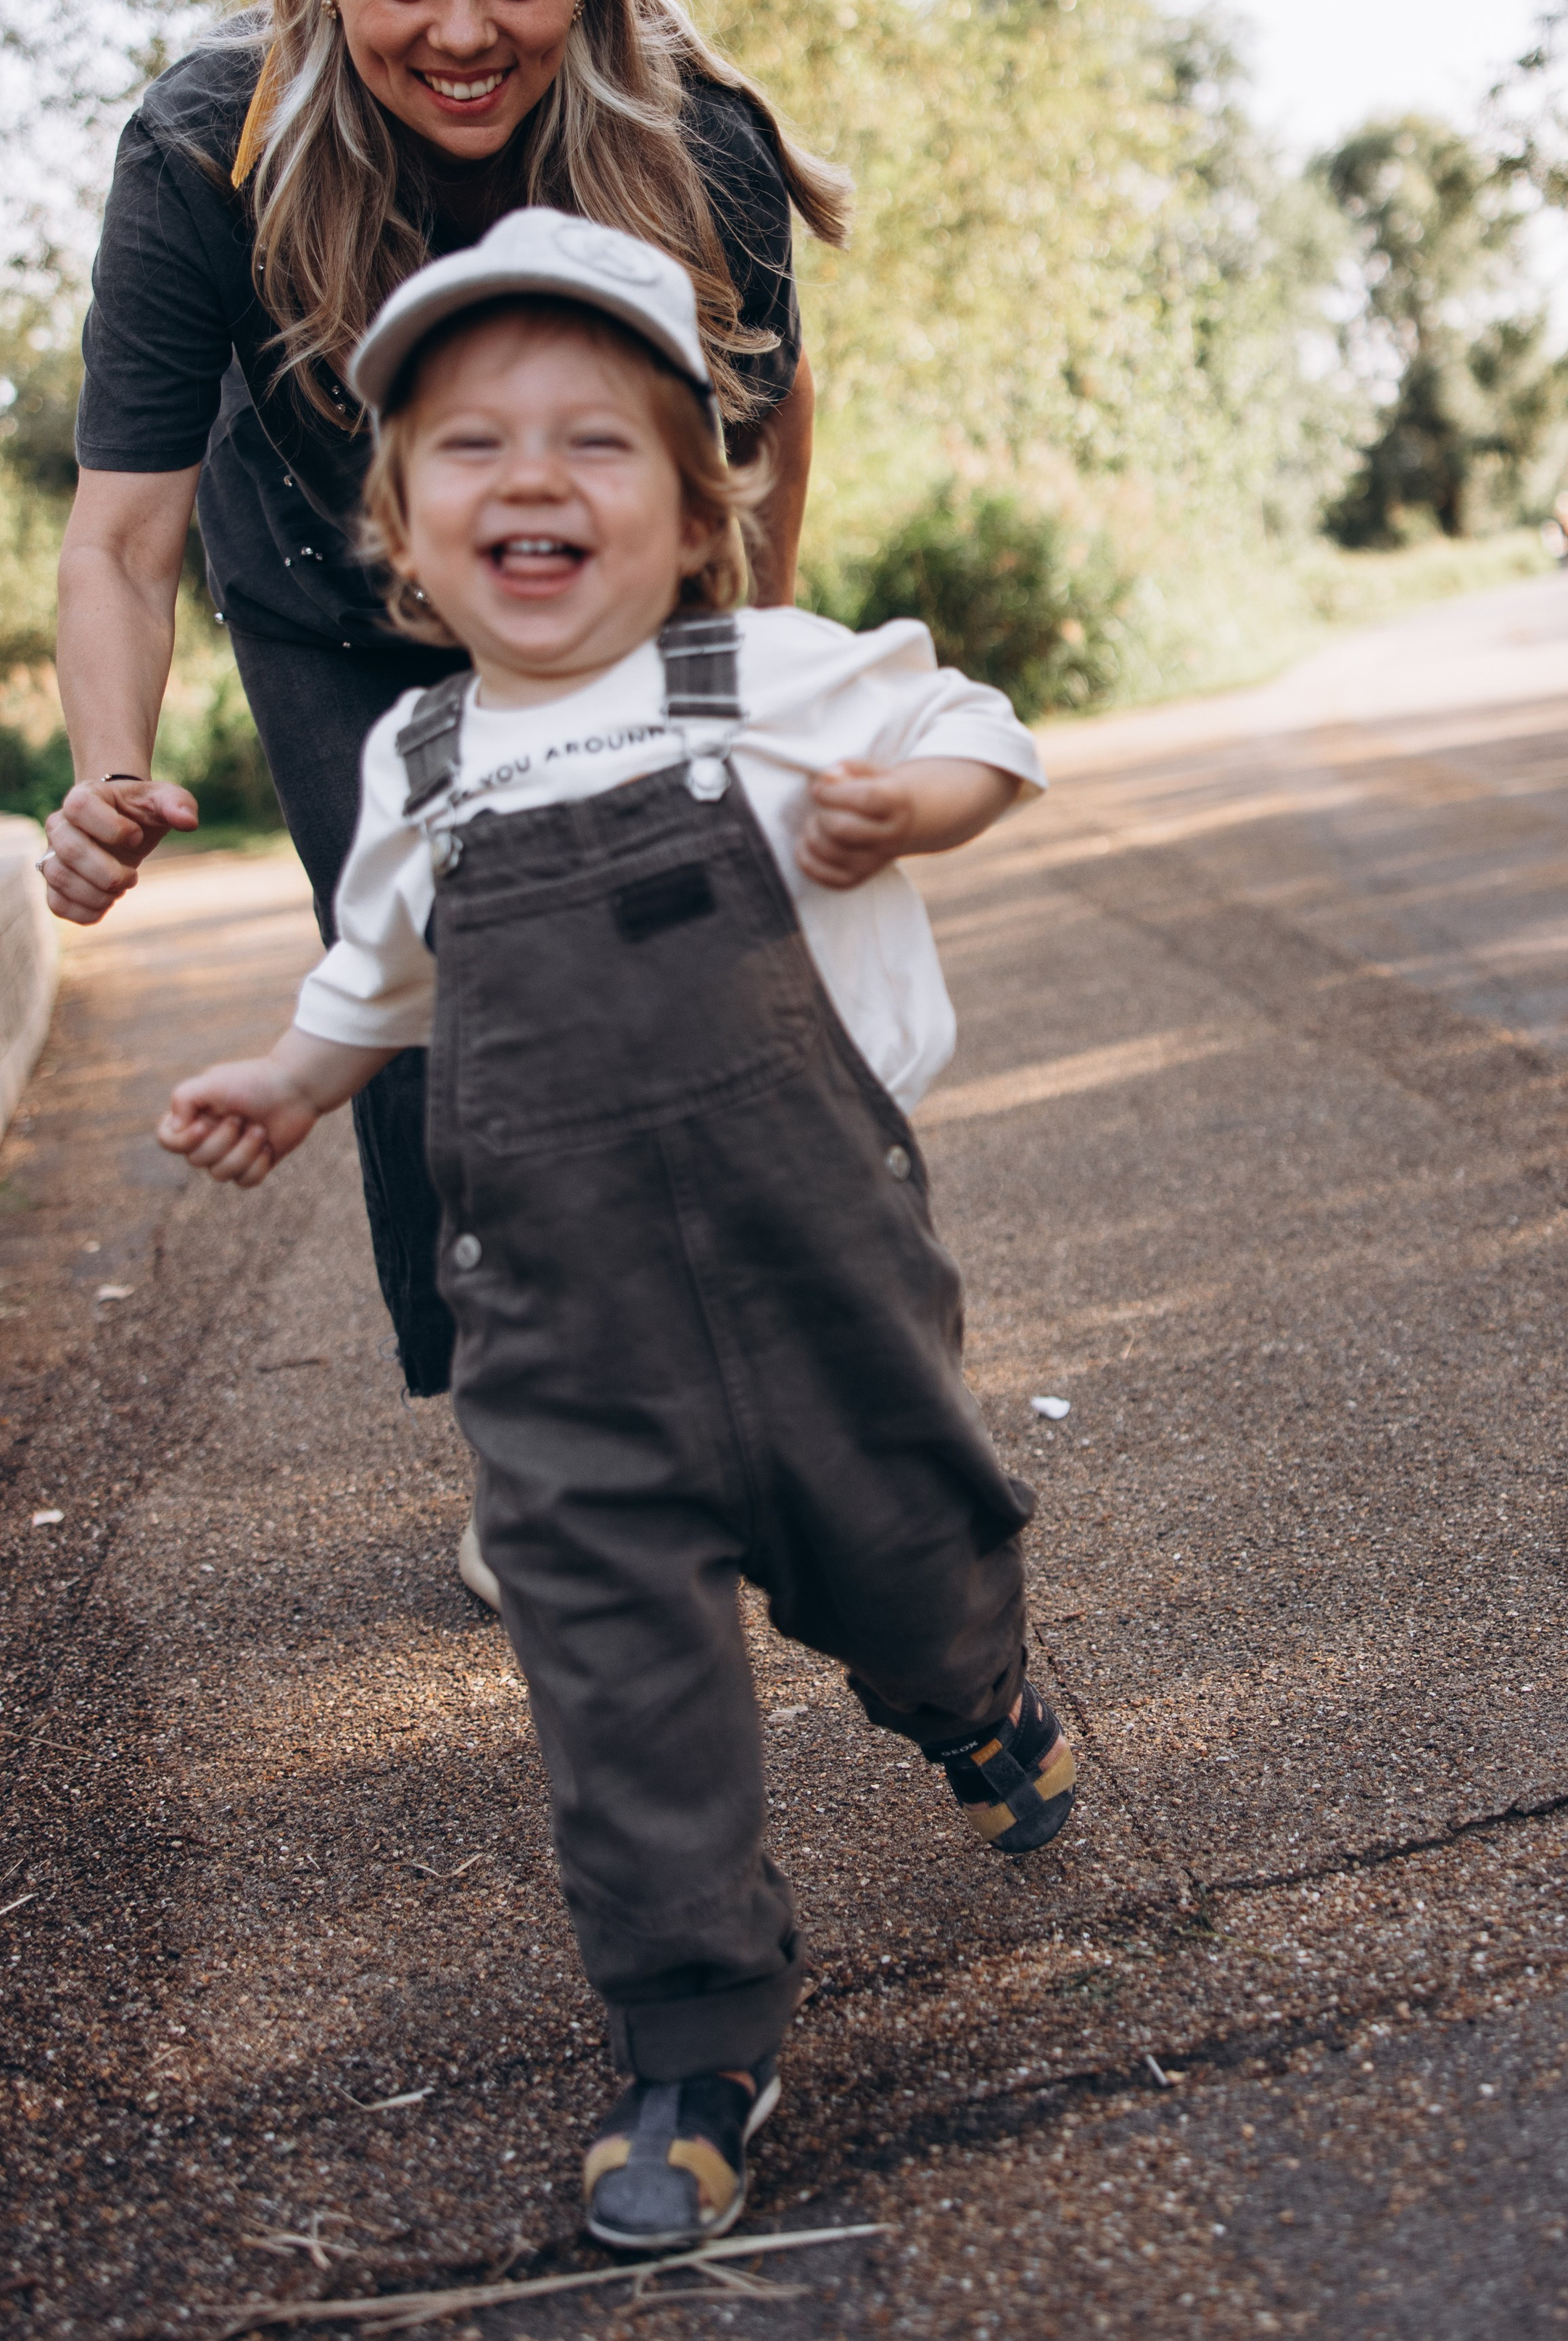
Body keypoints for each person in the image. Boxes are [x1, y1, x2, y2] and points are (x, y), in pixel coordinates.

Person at [154, 212, 1079, 2251]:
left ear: (690, 510)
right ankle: (692, 2033)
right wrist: (291, 1085)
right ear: (403, 527)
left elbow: (983, 730)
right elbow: (380, 978)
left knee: (907, 1569)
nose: (535, 479)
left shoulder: (762, 675)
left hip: (815, 1279)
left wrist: (902, 813)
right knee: (615, 1691)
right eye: (472, 448)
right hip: (563, 1348)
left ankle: (978, 1695)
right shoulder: (416, 760)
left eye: (596, 442)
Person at [41, 0, 841, 1601]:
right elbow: (124, 527)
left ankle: (703, 1372)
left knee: (660, 928)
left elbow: (760, 421)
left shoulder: (690, 144)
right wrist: (100, 766)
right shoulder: (202, 150)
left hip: (592, 567)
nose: (464, 34)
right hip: (324, 590)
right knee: (429, 969)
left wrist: (747, 672)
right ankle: (531, 1433)